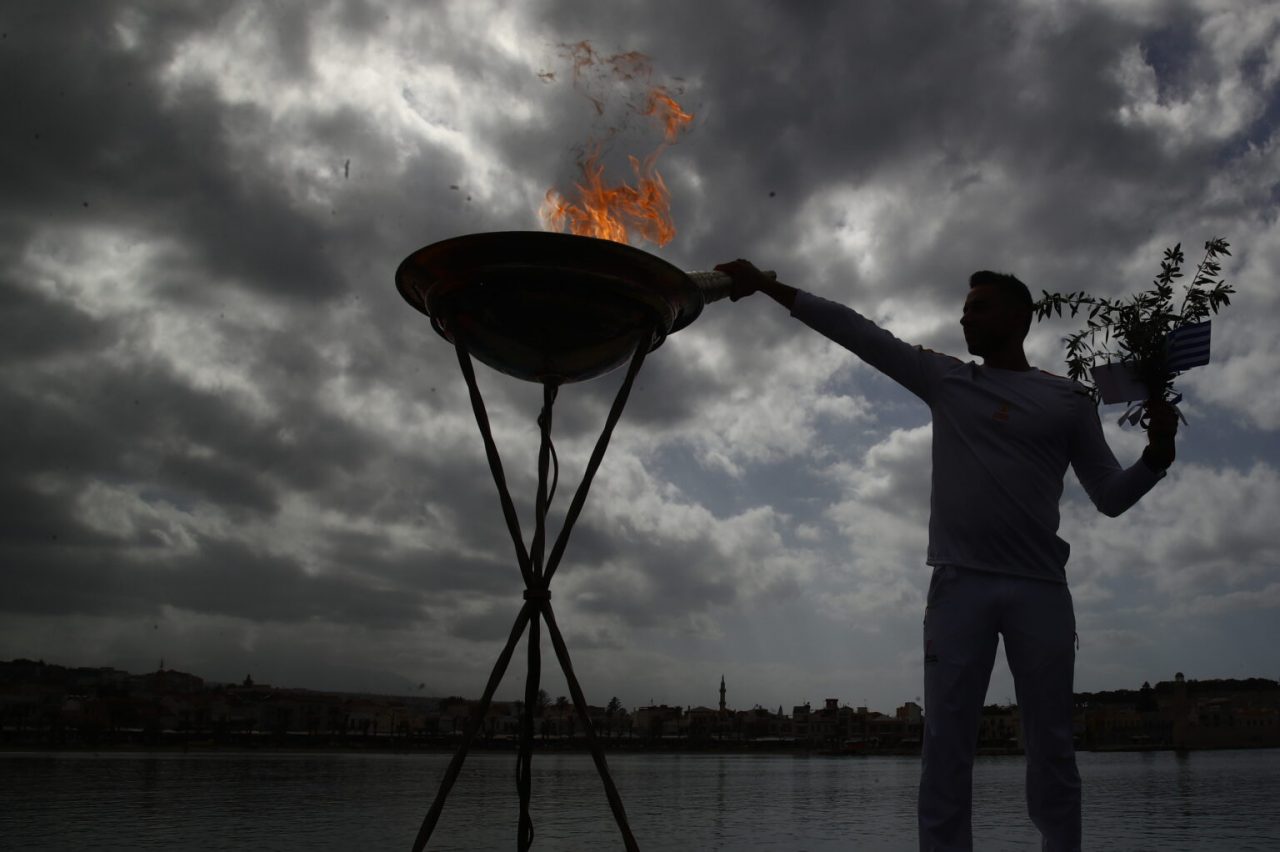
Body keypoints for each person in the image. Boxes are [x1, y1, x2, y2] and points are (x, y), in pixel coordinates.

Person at [714, 259, 1177, 852]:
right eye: (963, 310)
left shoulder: (1068, 400)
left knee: (1052, 747)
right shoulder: (946, 379)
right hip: (960, 588)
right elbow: (859, 332)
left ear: (1019, 317)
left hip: (1040, 589)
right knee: (946, 749)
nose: (965, 320)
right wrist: (770, 287)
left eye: (979, 308)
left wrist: (1158, 453)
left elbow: (1110, 497)